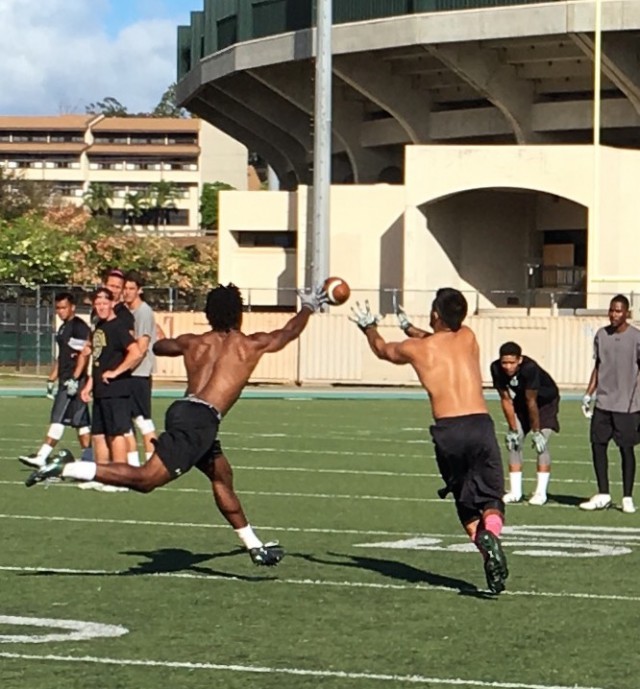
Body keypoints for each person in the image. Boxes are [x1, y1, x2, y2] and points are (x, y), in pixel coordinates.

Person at [26, 283, 328, 567]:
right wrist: (309, 307)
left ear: (208, 315)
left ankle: (254, 546)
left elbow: (161, 347)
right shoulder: (250, 345)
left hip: (183, 411)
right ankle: (67, 468)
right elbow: (288, 333)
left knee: (222, 475)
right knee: (146, 480)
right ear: (239, 314)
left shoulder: (193, 342)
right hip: (201, 421)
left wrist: (155, 333)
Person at [353, 290, 508, 594]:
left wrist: (369, 327)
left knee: (466, 505)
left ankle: (487, 550)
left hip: (448, 431)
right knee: (492, 499)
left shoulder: (417, 349)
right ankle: (492, 538)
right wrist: (410, 327)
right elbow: (442, 339)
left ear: (435, 314)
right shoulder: (469, 337)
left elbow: (383, 350)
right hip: (479, 424)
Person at [580, 294, 640, 514]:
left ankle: (627, 497)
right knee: (598, 446)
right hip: (603, 403)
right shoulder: (601, 335)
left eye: (618, 311)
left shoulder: (636, 337)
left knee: (626, 449)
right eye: (611, 310)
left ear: (627, 313)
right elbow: (598, 366)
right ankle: (603, 493)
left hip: (627, 405)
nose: (614, 314)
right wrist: (588, 394)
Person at [19, 292, 91, 468]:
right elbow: (64, 356)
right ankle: (90, 459)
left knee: (57, 417)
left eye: (63, 307)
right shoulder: (63, 327)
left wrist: (75, 378)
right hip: (66, 378)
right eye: (57, 308)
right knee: (80, 422)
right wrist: (51, 378)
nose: (60, 311)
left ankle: (42, 456)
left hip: (73, 381)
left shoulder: (79, 327)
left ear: (72, 307)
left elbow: (84, 353)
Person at [490, 342, 560, 506]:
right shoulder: (495, 368)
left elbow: (532, 401)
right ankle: (516, 491)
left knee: (541, 444)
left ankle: (540, 492)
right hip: (522, 401)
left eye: (512, 362)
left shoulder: (530, 368)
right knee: (515, 442)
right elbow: (506, 399)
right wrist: (512, 428)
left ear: (519, 360)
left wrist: (536, 432)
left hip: (545, 402)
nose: (508, 367)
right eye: (504, 362)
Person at [79, 287, 143, 467]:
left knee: (117, 433)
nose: (101, 307)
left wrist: (116, 372)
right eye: (98, 304)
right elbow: (98, 361)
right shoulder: (98, 326)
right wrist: (89, 386)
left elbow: (136, 352)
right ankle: (103, 476)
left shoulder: (118, 327)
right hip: (100, 390)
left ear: (112, 304)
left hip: (116, 390)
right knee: (98, 434)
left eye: (104, 303)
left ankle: (120, 475)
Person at [123, 271, 158, 466]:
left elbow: (142, 347)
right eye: (125, 288)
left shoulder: (143, 312)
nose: (127, 293)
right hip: (130, 374)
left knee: (143, 420)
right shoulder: (127, 312)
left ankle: (153, 463)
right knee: (127, 421)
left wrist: (124, 369)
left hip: (139, 374)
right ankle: (133, 464)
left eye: (131, 289)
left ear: (139, 290)